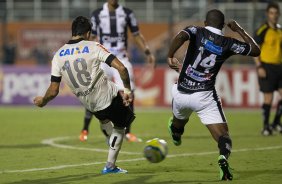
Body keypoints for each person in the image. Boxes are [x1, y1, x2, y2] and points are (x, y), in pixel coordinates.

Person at [167, 9, 260, 180]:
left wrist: (170, 55)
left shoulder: (196, 31)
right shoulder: (228, 43)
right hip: (204, 97)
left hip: (181, 92)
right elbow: (255, 51)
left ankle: (175, 132)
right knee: (223, 137)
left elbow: (180, 36)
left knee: (178, 123)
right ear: (223, 26)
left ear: (205, 22)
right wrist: (239, 29)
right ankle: (223, 158)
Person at [34, 16, 134, 174]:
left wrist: (42, 101)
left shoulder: (58, 55)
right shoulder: (93, 46)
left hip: (89, 103)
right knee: (121, 127)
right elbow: (121, 69)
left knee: (104, 118)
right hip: (107, 96)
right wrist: (127, 90)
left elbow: (53, 90)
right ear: (88, 33)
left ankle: (109, 138)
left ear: (72, 32)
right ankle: (110, 165)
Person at [80, 0, 155, 142]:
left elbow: (136, 34)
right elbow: (92, 37)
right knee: (92, 91)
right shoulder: (97, 14)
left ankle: (128, 132)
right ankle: (85, 129)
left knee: (129, 91)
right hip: (102, 58)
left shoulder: (127, 13)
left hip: (120, 58)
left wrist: (147, 52)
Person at [253, 2, 282, 136]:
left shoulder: (280, 30)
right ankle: (265, 127)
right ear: (267, 14)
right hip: (267, 66)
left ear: (279, 14)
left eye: (276, 13)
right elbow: (255, 50)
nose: (274, 16)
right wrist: (259, 66)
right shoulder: (262, 30)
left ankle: (276, 122)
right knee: (268, 98)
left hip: (280, 67)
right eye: (271, 13)